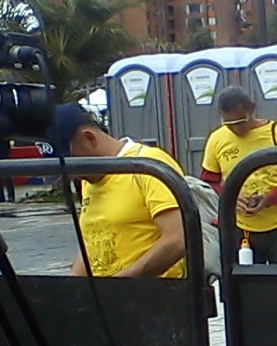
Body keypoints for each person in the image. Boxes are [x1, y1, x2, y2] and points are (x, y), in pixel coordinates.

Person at [50, 102, 187, 278]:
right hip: (108, 298)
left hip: (153, 296)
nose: (71, 176)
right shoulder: (89, 178)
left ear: (90, 138)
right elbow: (93, 244)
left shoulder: (147, 166)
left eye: (71, 163)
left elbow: (177, 240)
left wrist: (120, 285)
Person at [199, 86, 277, 264]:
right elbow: (209, 181)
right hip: (240, 229)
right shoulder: (216, 139)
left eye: (241, 121)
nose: (236, 128)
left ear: (252, 108)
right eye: (228, 124)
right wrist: (231, 197)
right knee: (247, 285)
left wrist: (268, 199)